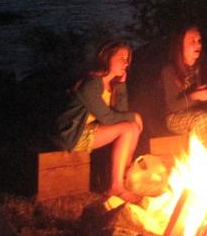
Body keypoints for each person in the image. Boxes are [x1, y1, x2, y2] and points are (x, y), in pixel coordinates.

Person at [54, 40, 143, 202]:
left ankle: (123, 179)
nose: (126, 62)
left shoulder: (111, 84)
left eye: (128, 58)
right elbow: (108, 118)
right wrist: (133, 116)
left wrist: (122, 85)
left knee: (132, 128)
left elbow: (120, 113)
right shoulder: (92, 83)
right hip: (71, 134)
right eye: (121, 57)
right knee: (129, 128)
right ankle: (115, 187)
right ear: (107, 58)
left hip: (89, 129)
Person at [160, 26, 207, 177]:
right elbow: (172, 105)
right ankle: (200, 173)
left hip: (199, 112)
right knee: (202, 121)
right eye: (192, 41)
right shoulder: (169, 71)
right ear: (181, 46)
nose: (197, 44)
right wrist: (195, 96)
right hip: (174, 116)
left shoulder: (205, 66)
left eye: (199, 41)